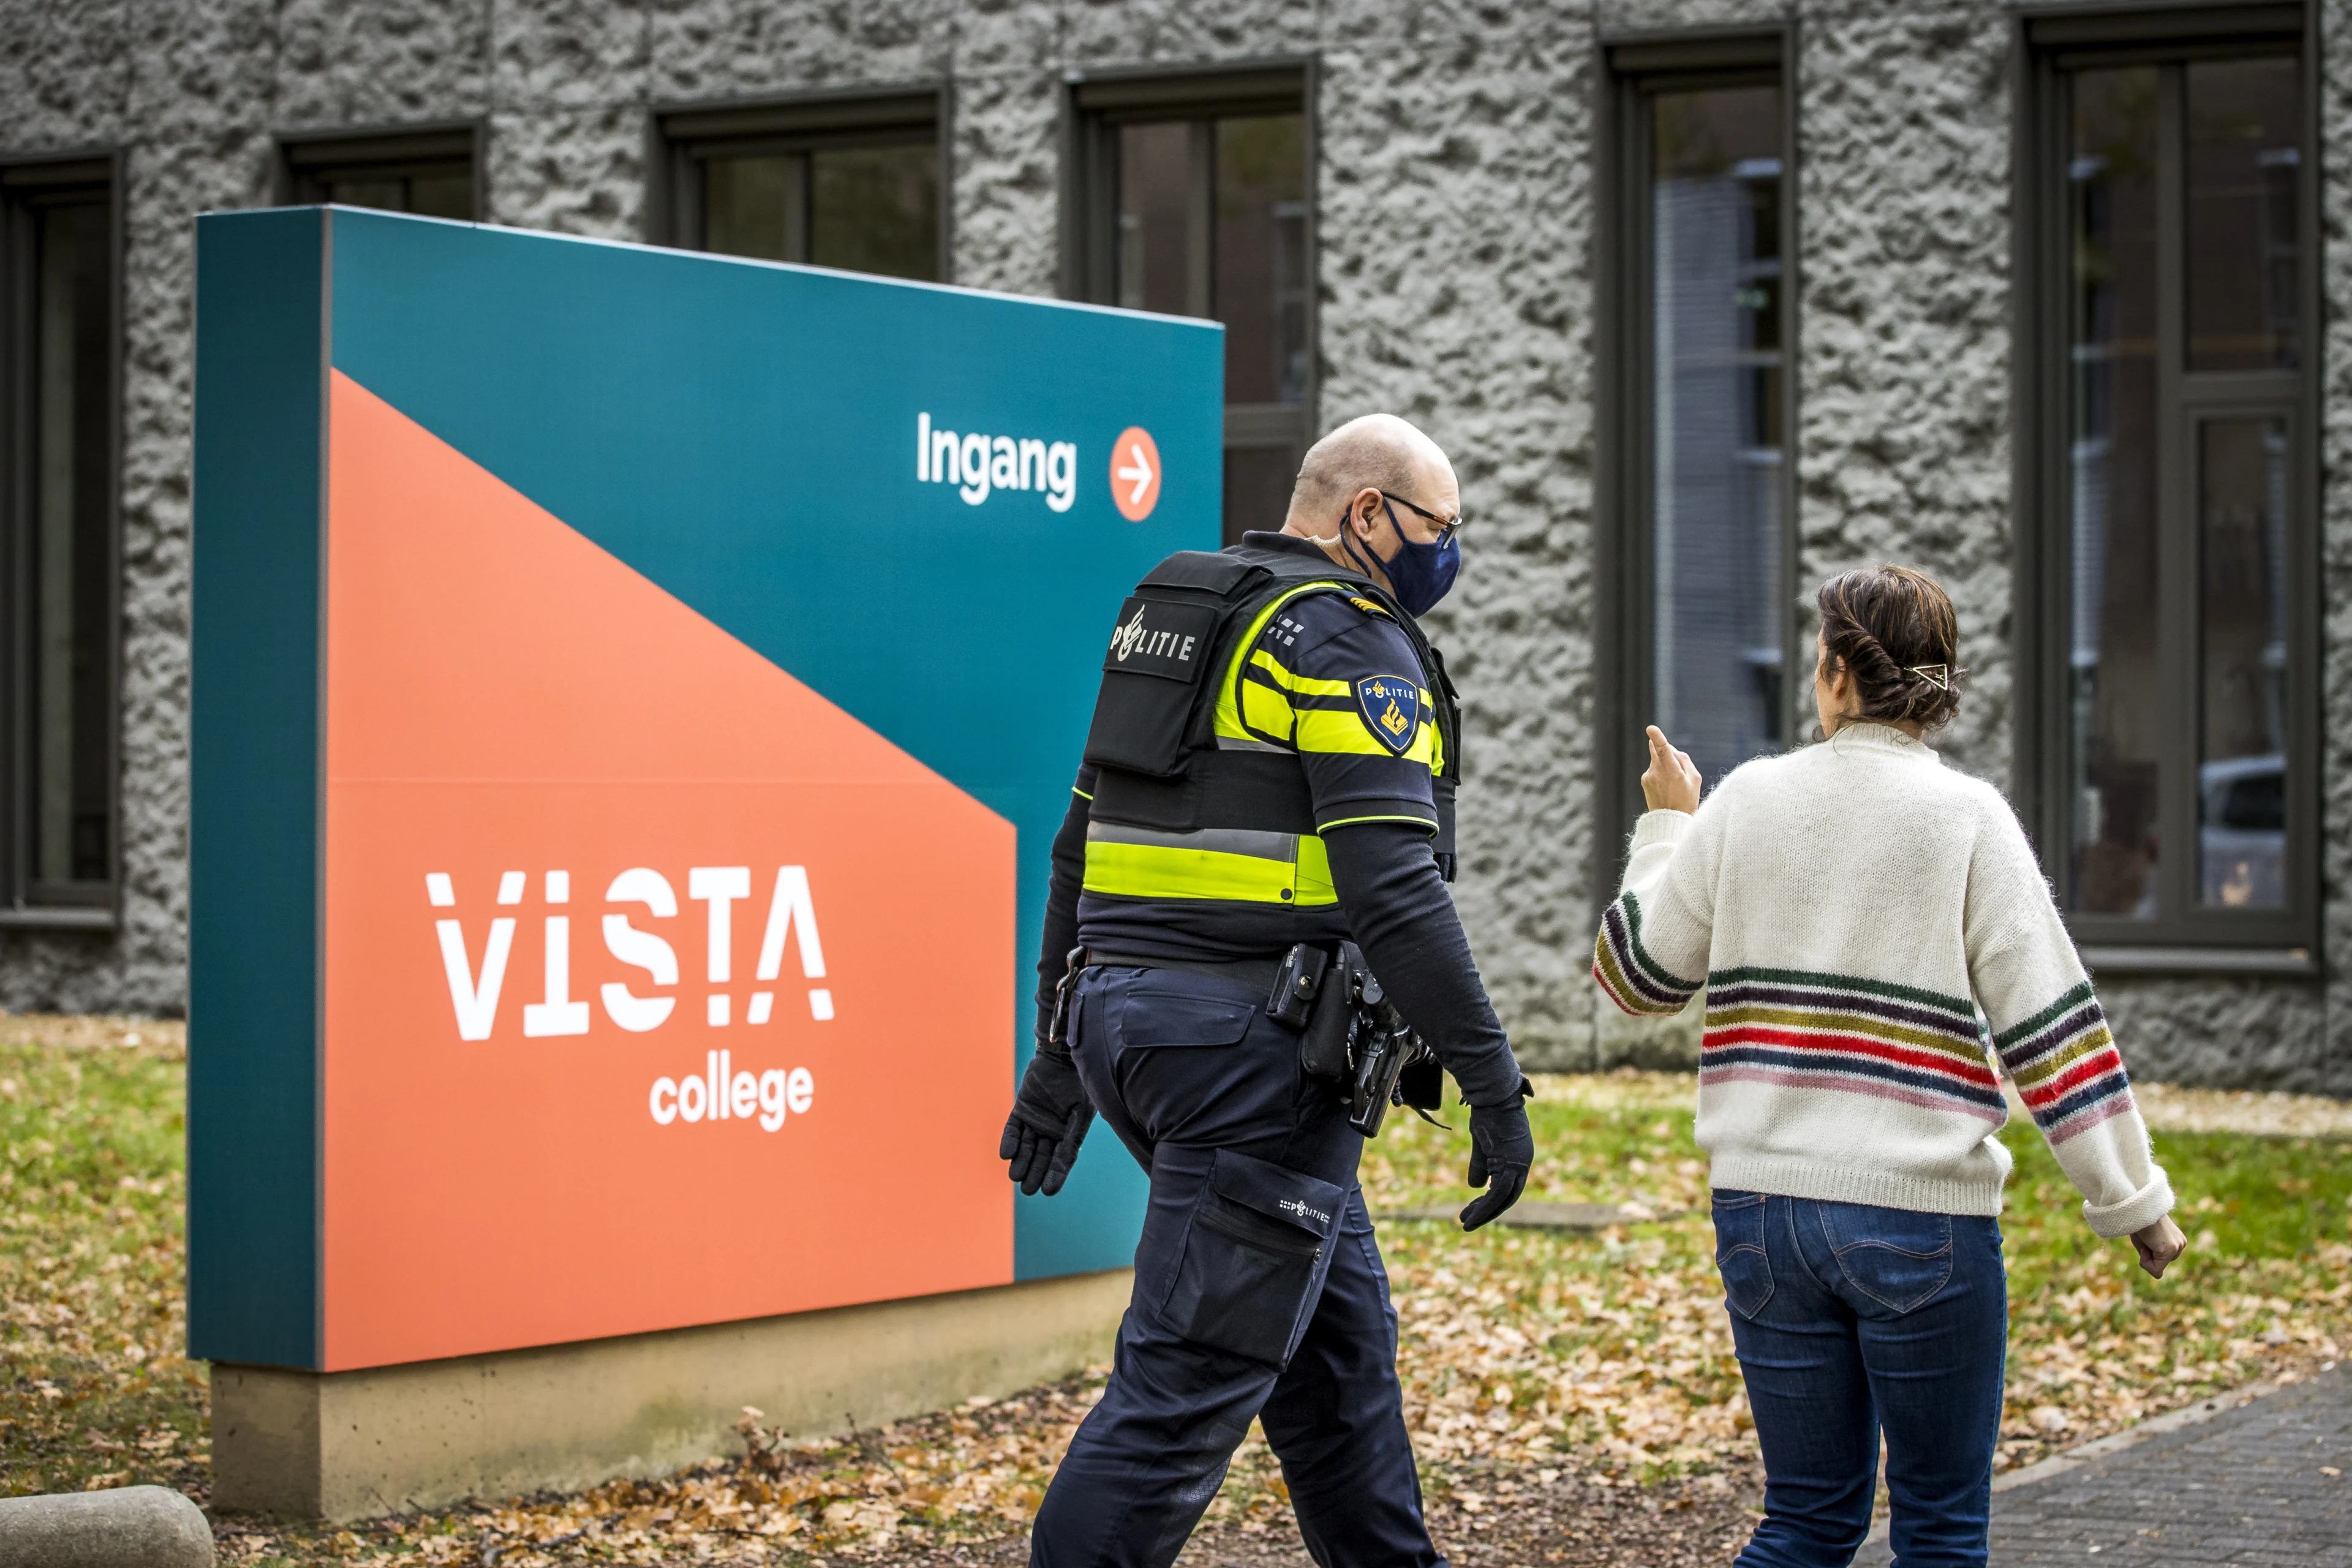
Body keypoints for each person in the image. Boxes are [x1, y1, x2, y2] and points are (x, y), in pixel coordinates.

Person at [1002, 413, 1532, 1568]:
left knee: (1339, 1368)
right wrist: (1494, 1083)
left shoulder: (1182, 613)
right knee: (1180, 1395)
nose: (1450, 552)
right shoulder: (1345, 640)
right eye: (1441, 528)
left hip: (1133, 1033)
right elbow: (1392, 888)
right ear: (1367, 515)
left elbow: (1074, 851)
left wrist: (1056, 1062)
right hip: (1256, 1064)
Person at [1593, 564, 2187, 1568]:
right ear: (1938, 684)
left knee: (1806, 1523)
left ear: (1832, 674)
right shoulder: (1966, 818)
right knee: (1941, 1526)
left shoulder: (1745, 802)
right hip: (1923, 1222)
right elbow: (2053, 1028)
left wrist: (1668, 825)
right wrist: (2133, 1202)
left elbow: (1634, 976)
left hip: (1763, 1218)